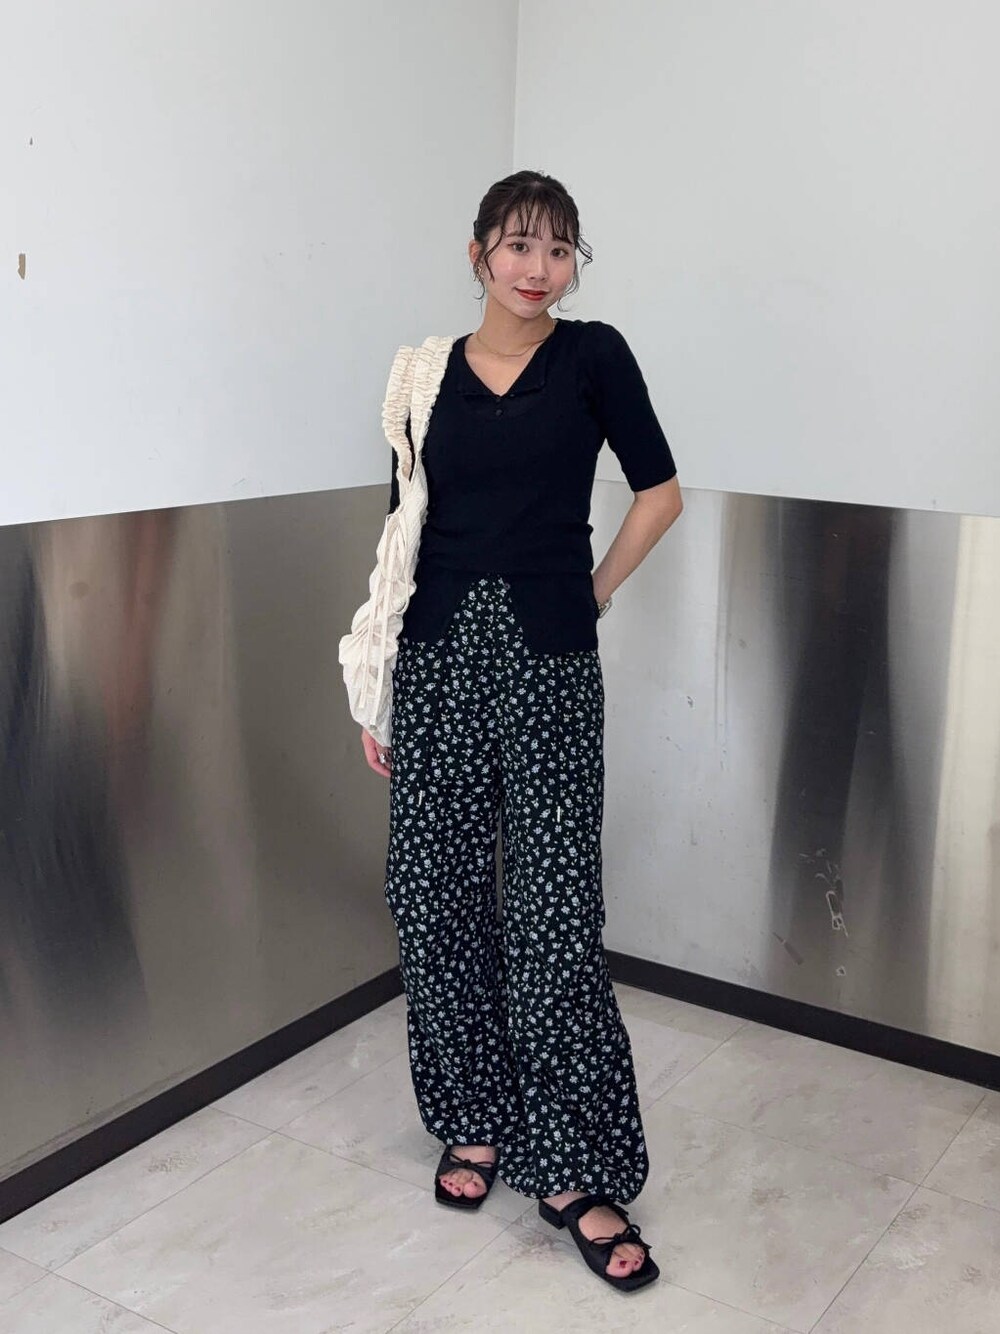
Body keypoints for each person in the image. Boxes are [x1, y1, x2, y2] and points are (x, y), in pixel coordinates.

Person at [357, 169, 682, 1292]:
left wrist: (589, 593)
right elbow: (401, 532)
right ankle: (475, 1117)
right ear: (478, 253)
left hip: (548, 662)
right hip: (436, 658)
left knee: (552, 916)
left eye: (557, 248)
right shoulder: (422, 373)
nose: (537, 267)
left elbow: (659, 492)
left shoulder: (593, 357)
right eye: (517, 244)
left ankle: (575, 1170)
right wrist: (379, 686)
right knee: (431, 894)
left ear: (572, 262)